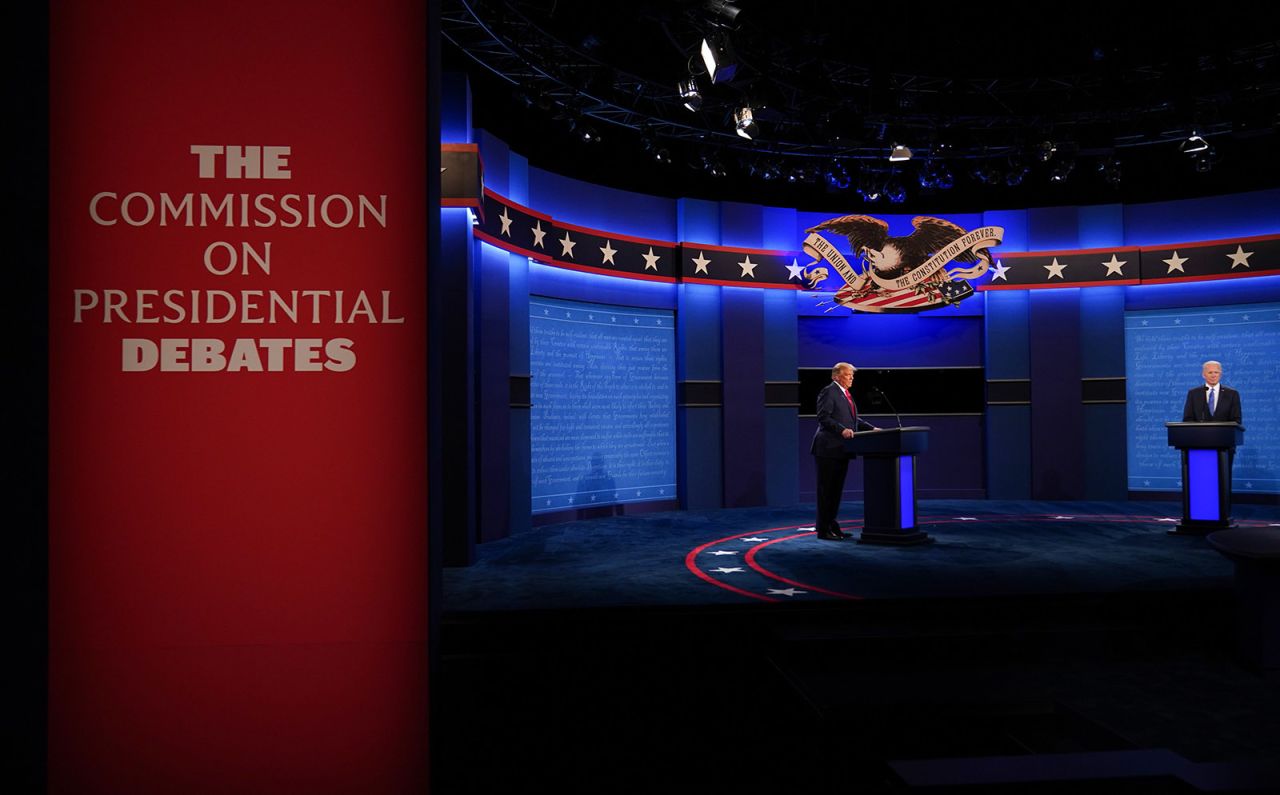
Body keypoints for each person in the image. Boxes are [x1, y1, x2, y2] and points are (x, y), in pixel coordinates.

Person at [810, 362, 877, 541]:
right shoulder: (829, 391)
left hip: (841, 450)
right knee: (827, 491)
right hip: (827, 449)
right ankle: (823, 530)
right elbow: (823, 417)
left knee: (836, 491)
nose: (851, 378)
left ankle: (831, 525)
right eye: (848, 375)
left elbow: (853, 420)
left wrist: (871, 429)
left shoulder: (846, 394)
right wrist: (841, 430)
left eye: (852, 375)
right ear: (836, 376)